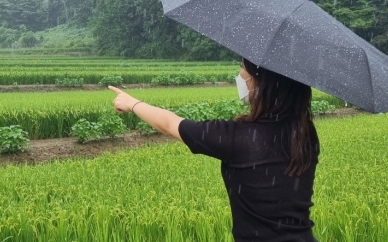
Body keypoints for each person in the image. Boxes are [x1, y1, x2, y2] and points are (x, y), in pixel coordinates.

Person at [109, 58, 319, 242]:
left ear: (259, 81)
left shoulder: (237, 138)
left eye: (242, 68)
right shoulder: (304, 134)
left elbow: (170, 124)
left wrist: (132, 103)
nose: (239, 75)